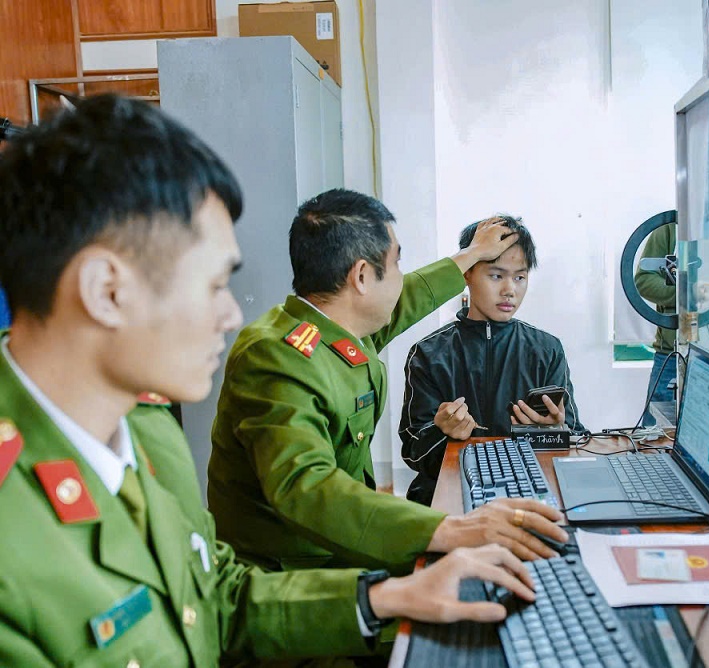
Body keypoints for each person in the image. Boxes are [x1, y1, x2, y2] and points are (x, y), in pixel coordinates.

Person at [0, 95, 537, 666]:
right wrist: (445, 533)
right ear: (106, 290)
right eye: (211, 285)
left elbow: (214, 599)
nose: (231, 314)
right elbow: (304, 490)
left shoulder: (146, 429)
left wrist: (383, 598)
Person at [208, 191, 568, 579]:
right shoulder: (278, 357)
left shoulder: (343, 330)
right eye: (397, 264)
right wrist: (451, 530)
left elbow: (413, 296)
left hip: (342, 540)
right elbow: (307, 491)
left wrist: (472, 254)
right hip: (294, 571)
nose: (402, 278)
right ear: (362, 277)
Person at [400, 215, 584, 505]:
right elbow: (413, 453)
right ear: (467, 273)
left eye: (520, 277)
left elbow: (576, 440)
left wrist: (555, 431)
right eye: (497, 276)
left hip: (528, 497)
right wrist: (441, 431)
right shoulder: (428, 353)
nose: (510, 290)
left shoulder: (547, 350)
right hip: (448, 497)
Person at [634, 223, 681, 426]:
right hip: (671, 352)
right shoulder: (670, 228)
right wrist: (685, 293)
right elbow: (644, 281)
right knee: (653, 435)